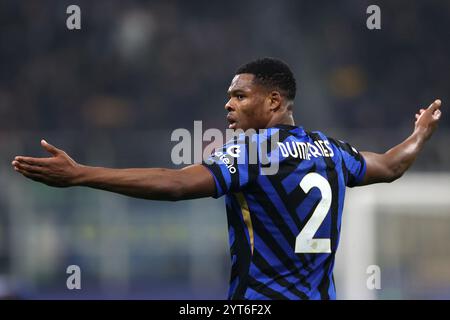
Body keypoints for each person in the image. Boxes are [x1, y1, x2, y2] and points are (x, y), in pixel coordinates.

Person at [11, 58, 442, 300]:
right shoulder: (331, 150)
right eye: (228, 97)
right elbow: (390, 166)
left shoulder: (253, 151)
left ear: (274, 100)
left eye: (239, 95)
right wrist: (419, 135)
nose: (228, 106)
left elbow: (177, 184)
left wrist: (81, 174)